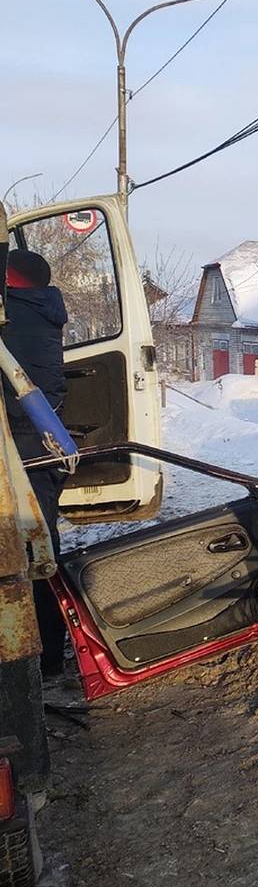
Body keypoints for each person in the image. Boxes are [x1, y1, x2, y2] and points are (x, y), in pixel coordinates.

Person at [3, 248, 69, 679]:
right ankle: (46, 654)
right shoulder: (40, 310)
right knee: (41, 540)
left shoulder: (16, 316)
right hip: (39, 440)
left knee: (29, 548)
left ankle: (39, 657)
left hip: (22, 442)